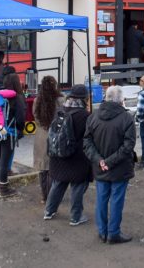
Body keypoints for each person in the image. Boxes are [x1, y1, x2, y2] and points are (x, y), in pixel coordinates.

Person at [83, 86, 136, 244]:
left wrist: (100, 160)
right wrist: (108, 162)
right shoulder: (126, 118)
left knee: (101, 198)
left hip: (100, 166)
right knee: (116, 200)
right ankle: (113, 233)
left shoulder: (93, 116)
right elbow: (128, 146)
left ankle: (103, 231)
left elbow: (86, 141)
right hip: (118, 167)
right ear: (121, 100)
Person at [45, 84, 92, 225]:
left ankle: (49, 211)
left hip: (57, 154)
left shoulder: (60, 110)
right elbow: (88, 136)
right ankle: (75, 217)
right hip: (77, 157)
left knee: (58, 182)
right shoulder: (84, 115)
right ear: (84, 98)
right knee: (77, 185)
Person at [32, 75, 64, 203]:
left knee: (43, 168)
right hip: (56, 135)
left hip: (41, 136)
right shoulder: (61, 100)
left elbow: (36, 117)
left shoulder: (37, 100)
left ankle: (44, 196)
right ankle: (52, 196)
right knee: (53, 168)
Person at [1, 73, 26, 193]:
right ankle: (4, 184)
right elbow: (20, 116)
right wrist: (21, 129)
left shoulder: (0, 94)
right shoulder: (18, 97)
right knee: (7, 155)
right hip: (11, 129)